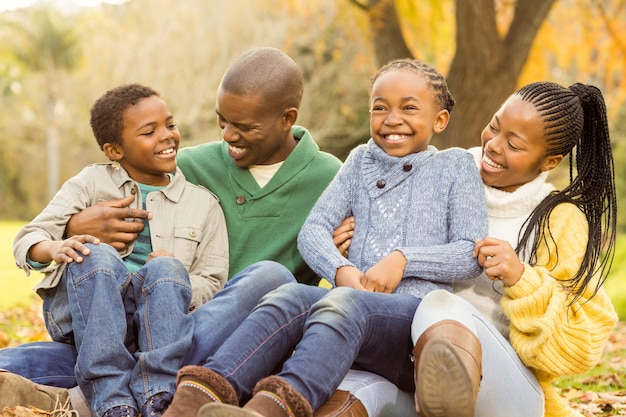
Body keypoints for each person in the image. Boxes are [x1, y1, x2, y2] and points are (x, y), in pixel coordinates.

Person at [0, 47, 341, 417]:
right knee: (72, 346)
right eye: (221, 121)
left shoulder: (331, 180)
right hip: (117, 324)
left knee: (272, 277)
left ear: (286, 118)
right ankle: (142, 391)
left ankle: (97, 396)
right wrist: (73, 226)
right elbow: (125, 173)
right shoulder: (190, 164)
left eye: (243, 127)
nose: (228, 136)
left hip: (213, 330)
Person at [160, 58, 488, 417]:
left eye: (409, 108)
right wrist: (341, 270)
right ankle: (193, 400)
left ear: (439, 120)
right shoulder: (360, 161)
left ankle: (270, 410)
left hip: (409, 324)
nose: (392, 119)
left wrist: (403, 259)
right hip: (346, 312)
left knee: (344, 305)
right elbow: (314, 230)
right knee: (286, 296)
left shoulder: (455, 166)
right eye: (380, 108)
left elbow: (470, 253)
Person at [337, 81, 619, 417]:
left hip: (507, 392)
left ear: (549, 162)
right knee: (354, 392)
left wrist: (522, 279)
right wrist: (354, 243)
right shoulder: (438, 172)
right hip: (406, 368)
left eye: (513, 144)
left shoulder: (560, 221)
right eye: (494, 127)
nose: (494, 146)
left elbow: (580, 346)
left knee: (440, 306)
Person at [11, 83, 230, 417]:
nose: (167, 136)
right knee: (96, 254)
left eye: (169, 124)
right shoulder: (89, 184)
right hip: (88, 313)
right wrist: (56, 246)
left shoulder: (203, 204)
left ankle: (158, 396)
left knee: (167, 269)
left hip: (160, 324)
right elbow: (28, 238)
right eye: (149, 131)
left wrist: (176, 277)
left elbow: (214, 281)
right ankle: (111, 400)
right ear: (114, 151)